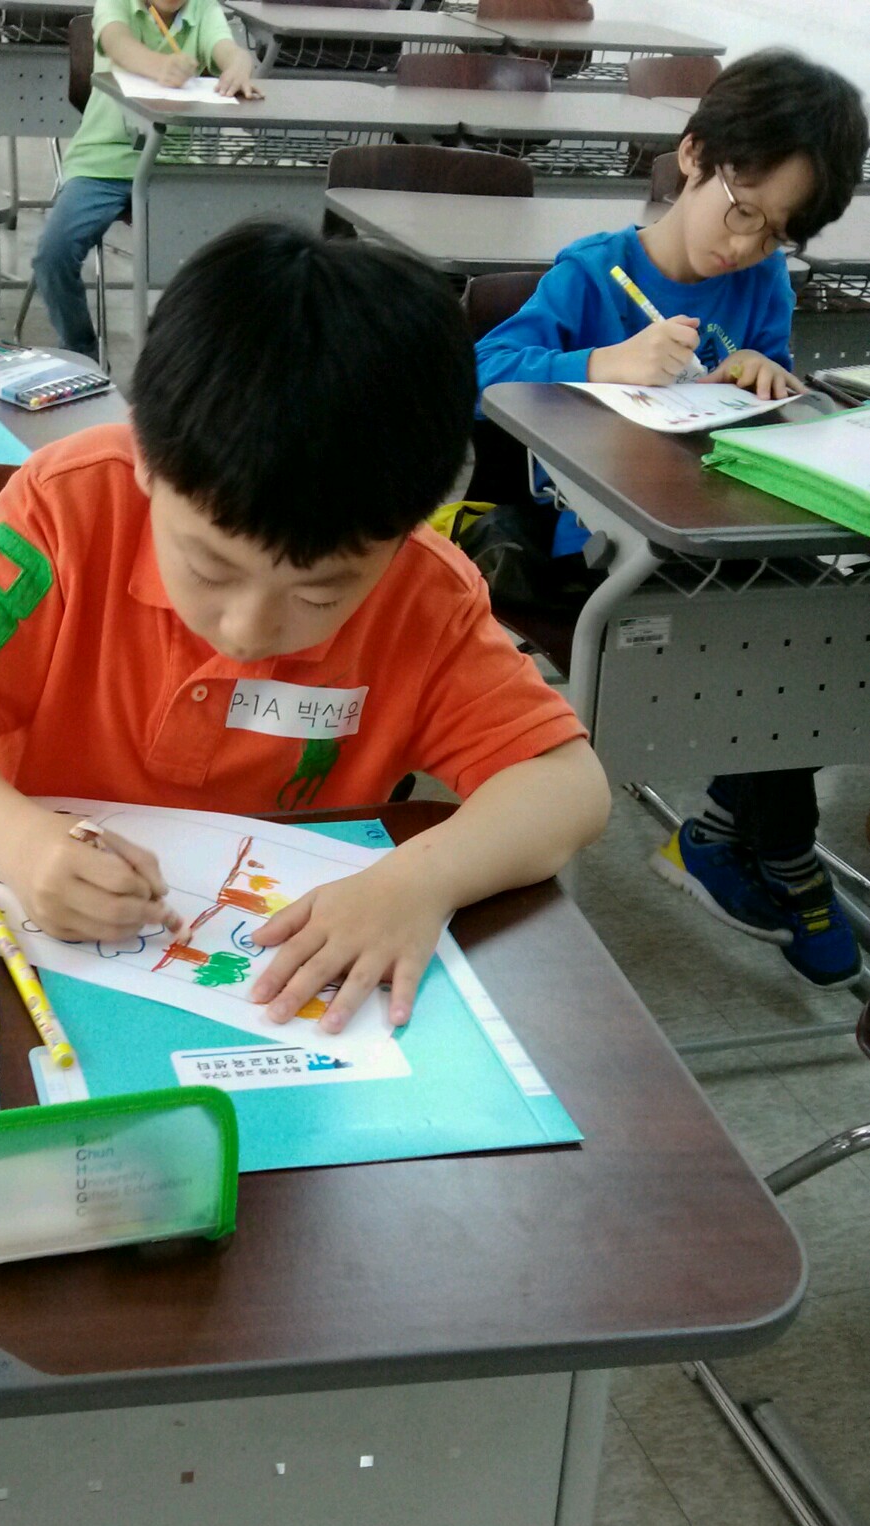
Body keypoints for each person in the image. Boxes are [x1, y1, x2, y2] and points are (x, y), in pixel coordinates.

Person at [0, 220, 611, 1526]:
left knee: (249, 1451)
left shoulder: (424, 595)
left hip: (258, 1083)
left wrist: (418, 878)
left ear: (415, 523)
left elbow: (566, 784)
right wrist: (21, 839)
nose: (253, 628)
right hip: (14, 1016)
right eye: (209, 570)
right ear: (149, 466)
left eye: (317, 588)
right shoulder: (69, 506)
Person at [475, 50, 869, 989]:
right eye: (742, 212)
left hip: (716, 530)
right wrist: (600, 365)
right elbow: (483, 371)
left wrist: (763, 375)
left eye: (776, 235)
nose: (746, 248)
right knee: (768, 641)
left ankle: (735, 832)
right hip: (599, 542)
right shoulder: (594, 273)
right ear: (693, 156)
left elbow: (758, 386)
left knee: (810, 628)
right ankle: (775, 848)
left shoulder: (761, 284)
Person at [31, 0, 259, 359]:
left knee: (220, 258)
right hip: (102, 162)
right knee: (53, 254)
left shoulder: (202, 9)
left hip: (170, 166)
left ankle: (187, 357)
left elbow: (225, 48)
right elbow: (117, 42)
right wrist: (160, 66)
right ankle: (80, 351)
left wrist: (239, 64)